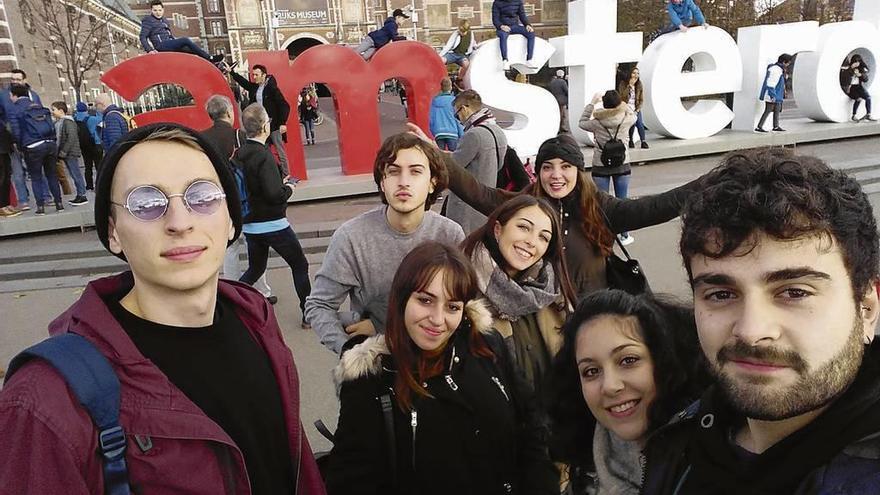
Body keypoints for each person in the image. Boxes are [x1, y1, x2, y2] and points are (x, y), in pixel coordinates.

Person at [0, 123, 326, 494]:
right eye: (147, 204)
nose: (180, 223)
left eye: (202, 197)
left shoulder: (255, 316)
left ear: (232, 219)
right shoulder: (45, 401)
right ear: (113, 232)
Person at [642, 148, 880, 494]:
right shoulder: (685, 439)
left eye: (794, 292)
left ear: (867, 307)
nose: (752, 332)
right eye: (721, 294)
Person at [323, 241, 559, 494]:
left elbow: (531, 423)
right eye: (425, 300)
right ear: (401, 299)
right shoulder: (372, 380)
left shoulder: (486, 346)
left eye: (452, 307)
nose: (437, 320)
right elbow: (350, 482)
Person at [408, 124, 697, 298]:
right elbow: (475, 190)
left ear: (578, 171)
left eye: (565, 167)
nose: (556, 175)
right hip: (540, 321)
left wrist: (712, 182)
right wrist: (432, 153)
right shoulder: (524, 205)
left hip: (592, 318)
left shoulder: (600, 206)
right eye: (547, 167)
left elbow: (658, 207)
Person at [304, 132, 465, 355]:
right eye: (393, 171)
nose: (404, 181)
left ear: (432, 183)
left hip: (435, 361)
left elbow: (462, 303)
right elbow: (319, 305)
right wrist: (351, 352)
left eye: (416, 171)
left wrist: (381, 324)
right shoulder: (352, 237)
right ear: (382, 182)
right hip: (378, 367)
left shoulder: (449, 234)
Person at [547, 289, 707, 495]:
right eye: (591, 371)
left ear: (664, 362)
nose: (610, 386)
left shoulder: (717, 462)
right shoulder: (583, 474)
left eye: (628, 360)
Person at [461, 195, 576, 395]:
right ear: (498, 229)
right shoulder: (461, 288)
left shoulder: (550, 291)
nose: (532, 241)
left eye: (544, 237)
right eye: (523, 227)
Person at [234, 103, 311, 324]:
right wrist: (289, 188)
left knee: (256, 268)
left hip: (250, 224)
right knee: (300, 265)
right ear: (264, 126)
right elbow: (273, 194)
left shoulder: (239, 154)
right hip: (274, 224)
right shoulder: (264, 155)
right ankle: (308, 313)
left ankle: (229, 303)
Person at [199, 94, 276, 304]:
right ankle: (262, 291)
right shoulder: (240, 136)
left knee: (229, 247)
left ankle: (232, 292)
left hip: (217, 198)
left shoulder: (201, 139)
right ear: (229, 113)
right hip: (245, 198)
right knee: (255, 246)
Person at [445, 89, 507, 234]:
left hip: (467, 204)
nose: (458, 119)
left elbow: (453, 166)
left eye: (456, 114)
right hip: (486, 198)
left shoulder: (473, 135)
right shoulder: (497, 130)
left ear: (465, 108)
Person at [579, 90, 637, 246]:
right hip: (622, 164)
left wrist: (592, 103)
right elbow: (633, 113)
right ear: (619, 104)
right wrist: (622, 104)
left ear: (604, 104)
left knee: (602, 202)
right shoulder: (627, 118)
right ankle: (624, 234)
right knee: (622, 200)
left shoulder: (596, 123)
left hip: (601, 165)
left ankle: (603, 233)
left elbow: (581, 122)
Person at [8, 85, 63, 216]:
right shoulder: (38, 106)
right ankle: (59, 203)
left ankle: (40, 207)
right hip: (49, 143)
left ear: (14, 95)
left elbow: (16, 131)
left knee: (36, 176)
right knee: (51, 175)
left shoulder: (15, 110)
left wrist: (20, 146)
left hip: (32, 146)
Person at [230, 64, 292, 176]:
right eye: (253, 75)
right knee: (264, 151)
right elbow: (244, 83)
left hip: (273, 125)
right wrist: (232, 72)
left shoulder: (271, 88)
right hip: (261, 126)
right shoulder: (255, 88)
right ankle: (272, 174)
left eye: (256, 75)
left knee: (279, 150)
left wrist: (283, 123)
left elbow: (284, 105)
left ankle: (286, 174)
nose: (254, 77)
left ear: (263, 75)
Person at [1, 69, 42, 210]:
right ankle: (23, 200)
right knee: (17, 171)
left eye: (18, 79)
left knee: (37, 170)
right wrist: (7, 133)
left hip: (32, 139)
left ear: (24, 80)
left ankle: (45, 197)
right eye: (12, 79)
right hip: (12, 140)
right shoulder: (3, 96)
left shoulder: (33, 95)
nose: (14, 81)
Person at [139, 0, 225, 66]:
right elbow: (142, 37)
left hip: (170, 44)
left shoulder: (164, 20)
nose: (158, 13)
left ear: (163, 10)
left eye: (159, 10)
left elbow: (169, 34)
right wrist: (149, 50)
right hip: (161, 45)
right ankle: (210, 58)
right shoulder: (148, 20)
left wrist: (174, 41)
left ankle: (213, 64)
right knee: (185, 40)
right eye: (155, 10)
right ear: (151, 10)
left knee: (191, 50)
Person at [50, 101, 88, 206]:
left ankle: (82, 195)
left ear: (61, 110)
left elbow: (71, 137)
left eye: (54, 110)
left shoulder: (68, 122)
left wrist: (63, 151)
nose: (52, 112)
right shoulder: (60, 122)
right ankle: (80, 195)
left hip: (70, 152)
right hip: (67, 152)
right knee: (73, 173)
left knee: (75, 174)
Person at [492, 0, 537, 71]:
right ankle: (505, 60)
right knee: (503, 36)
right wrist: (501, 26)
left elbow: (522, 15)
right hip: (503, 27)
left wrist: (527, 25)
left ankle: (529, 60)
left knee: (531, 33)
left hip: (515, 26)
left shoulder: (518, 1)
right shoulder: (497, 2)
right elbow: (495, 19)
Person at [755, 53, 792, 133]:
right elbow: (770, 83)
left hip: (777, 94)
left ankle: (776, 126)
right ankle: (759, 126)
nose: (788, 64)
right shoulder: (775, 69)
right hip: (772, 94)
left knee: (777, 109)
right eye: (788, 62)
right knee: (768, 109)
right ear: (784, 62)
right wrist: (772, 95)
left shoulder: (780, 69)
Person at [429, 78, 462, 152]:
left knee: (440, 157)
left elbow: (431, 119)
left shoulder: (435, 101)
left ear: (441, 87)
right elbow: (458, 119)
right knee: (454, 157)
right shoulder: (454, 100)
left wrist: (434, 131)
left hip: (438, 132)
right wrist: (461, 133)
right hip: (452, 132)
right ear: (450, 87)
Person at [74, 102, 102, 190]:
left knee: (88, 166)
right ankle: (100, 184)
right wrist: (97, 110)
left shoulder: (75, 119)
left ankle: (89, 185)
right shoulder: (91, 119)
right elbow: (101, 119)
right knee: (99, 166)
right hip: (95, 144)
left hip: (84, 145)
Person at [618, 67, 648, 149]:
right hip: (626, 108)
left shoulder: (639, 84)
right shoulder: (623, 84)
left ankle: (643, 141)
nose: (636, 75)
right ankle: (631, 140)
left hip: (636, 108)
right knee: (632, 124)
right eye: (634, 73)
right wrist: (629, 86)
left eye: (637, 73)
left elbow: (641, 99)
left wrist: (638, 109)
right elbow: (622, 97)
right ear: (630, 74)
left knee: (640, 124)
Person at [842, 54, 875, 122]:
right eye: (855, 62)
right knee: (858, 99)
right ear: (852, 62)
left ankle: (868, 114)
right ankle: (854, 115)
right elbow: (844, 79)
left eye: (858, 62)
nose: (857, 64)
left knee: (868, 97)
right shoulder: (847, 68)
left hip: (859, 86)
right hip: (851, 87)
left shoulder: (860, 68)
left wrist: (860, 75)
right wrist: (851, 69)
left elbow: (866, 79)